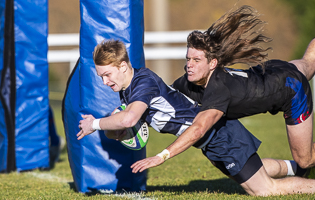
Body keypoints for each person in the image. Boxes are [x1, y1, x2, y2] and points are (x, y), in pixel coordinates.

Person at [77, 39, 315, 196]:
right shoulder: (128, 89)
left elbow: (128, 120)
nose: (105, 82)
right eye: (101, 77)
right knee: (256, 170)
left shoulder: (142, 84)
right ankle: (298, 170)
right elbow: (124, 124)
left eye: (107, 74)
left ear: (122, 65)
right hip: (211, 141)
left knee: (264, 190)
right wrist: (110, 126)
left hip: (220, 136)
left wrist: (94, 124)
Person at [131, 4, 315, 186]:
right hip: (274, 70)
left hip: (291, 91)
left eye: (196, 60)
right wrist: (132, 113)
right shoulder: (189, 80)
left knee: (305, 159)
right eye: (188, 59)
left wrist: (162, 156)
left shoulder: (218, 88)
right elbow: (164, 99)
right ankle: (300, 172)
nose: (189, 65)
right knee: (308, 61)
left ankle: (303, 168)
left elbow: (198, 129)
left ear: (213, 64)